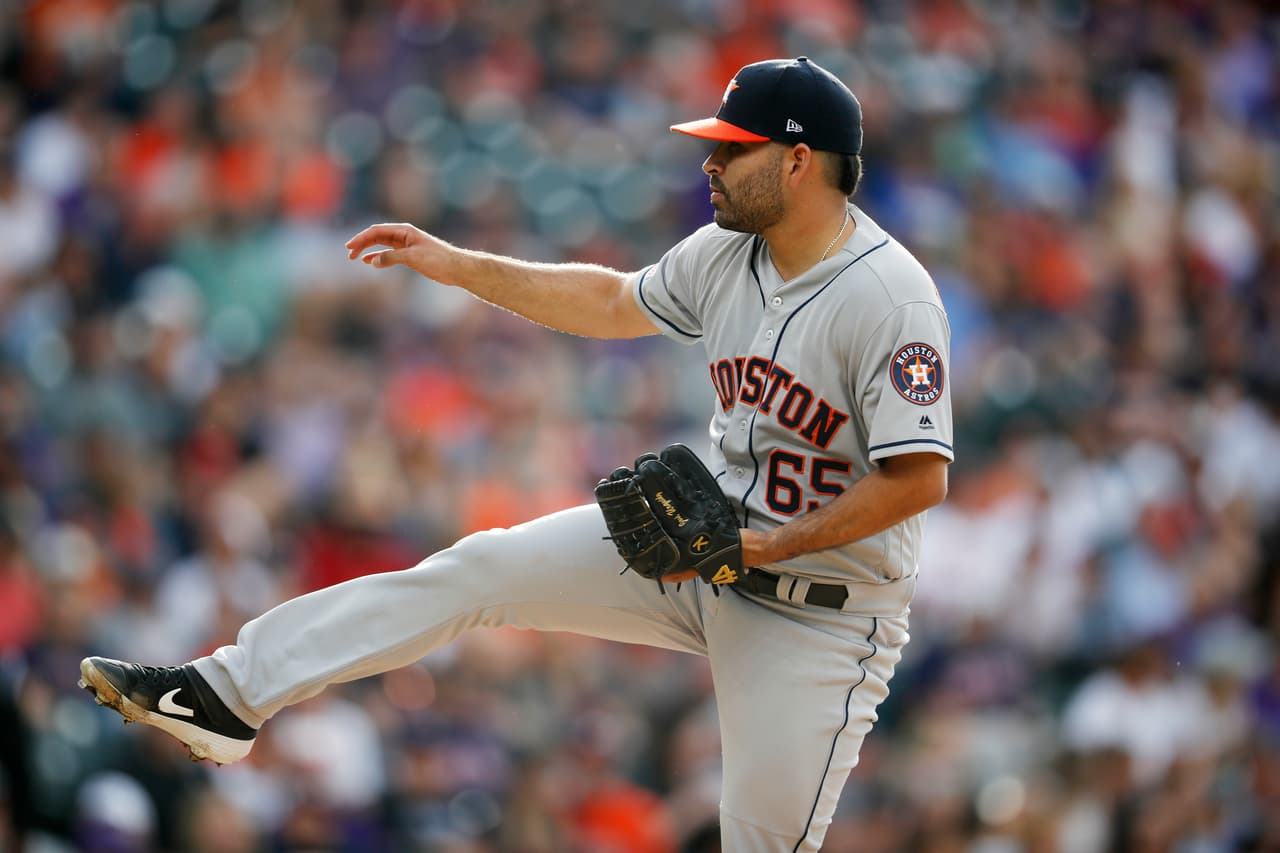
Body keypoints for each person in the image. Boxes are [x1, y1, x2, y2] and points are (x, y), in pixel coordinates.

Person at [80, 57, 952, 851]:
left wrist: (761, 546)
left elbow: (919, 478)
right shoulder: (727, 252)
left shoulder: (890, 297)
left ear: (800, 161)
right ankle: (228, 694)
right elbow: (613, 300)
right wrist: (465, 268)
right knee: (480, 568)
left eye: (734, 148)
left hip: (820, 614)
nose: (710, 166)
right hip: (708, 553)